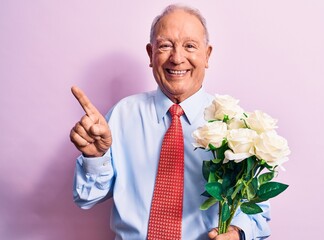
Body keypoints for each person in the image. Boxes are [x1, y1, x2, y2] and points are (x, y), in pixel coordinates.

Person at [70, 4, 271, 240]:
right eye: (165, 45)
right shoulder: (121, 115)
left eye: (190, 46)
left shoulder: (236, 126)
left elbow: (258, 214)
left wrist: (238, 232)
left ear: (207, 55)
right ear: (150, 53)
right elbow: (86, 198)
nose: (177, 58)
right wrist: (95, 158)